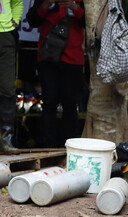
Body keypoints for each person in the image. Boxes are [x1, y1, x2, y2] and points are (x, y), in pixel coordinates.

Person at [27, 0, 85, 148]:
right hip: (48, 58)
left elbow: (91, 23)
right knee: (49, 100)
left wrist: (75, 8)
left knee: (70, 102)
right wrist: (46, 4)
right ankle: (47, 145)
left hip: (73, 58)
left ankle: (69, 145)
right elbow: (32, 20)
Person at [0, 0, 23, 153]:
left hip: (5, 36)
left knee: (7, 89)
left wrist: (15, 20)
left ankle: (5, 139)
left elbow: (17, 2)